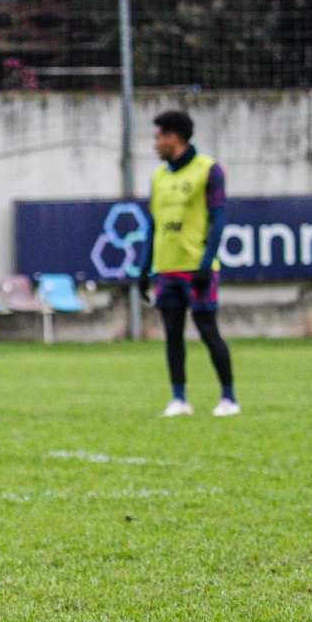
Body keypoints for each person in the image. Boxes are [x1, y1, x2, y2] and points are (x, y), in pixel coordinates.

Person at [137, 110, 239, 418]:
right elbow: (154, 224)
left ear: (173, 138)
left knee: (208, 329)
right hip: (166, 268)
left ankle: (229, 398)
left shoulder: (208, 170)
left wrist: (206, 264)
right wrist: (144, 268)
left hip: (196, 267)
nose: (155, 144)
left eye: (158, 137)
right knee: (172, 333)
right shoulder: (159, 176)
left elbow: (219, 220)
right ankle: (179, 399)